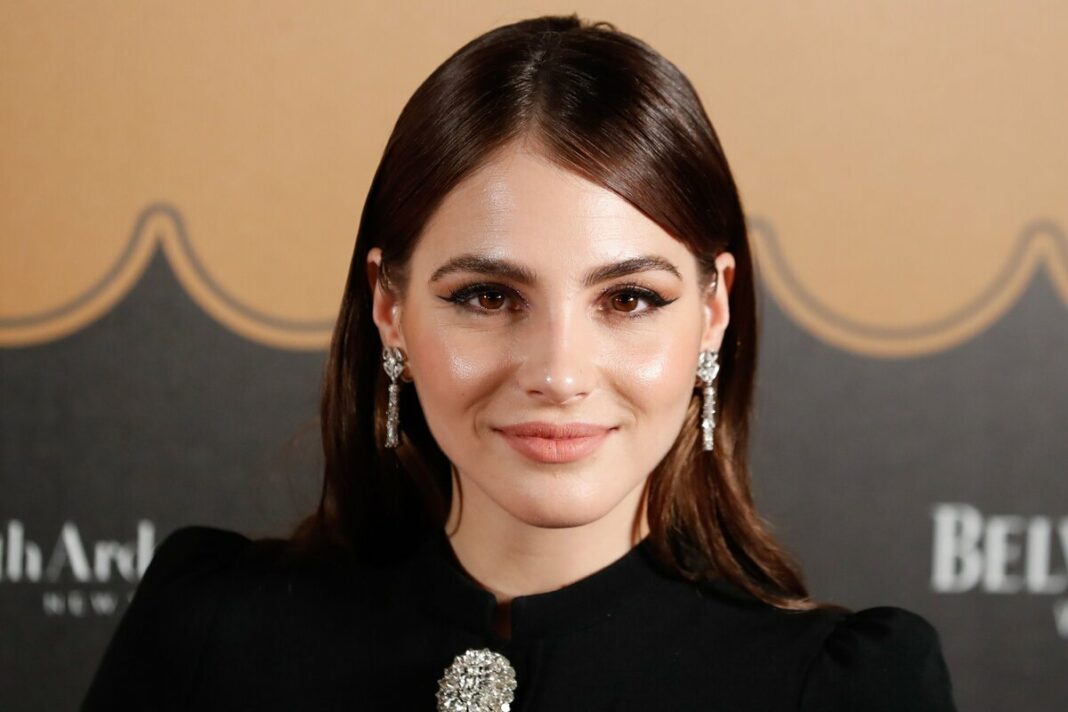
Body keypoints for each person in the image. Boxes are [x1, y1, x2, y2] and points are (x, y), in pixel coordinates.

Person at [81, 13, 958, 711]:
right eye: (488, 296)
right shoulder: (210, 634)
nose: (559, 373)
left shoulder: (842, 690)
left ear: (713, 311)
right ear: (390, 306)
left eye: (629, 299)